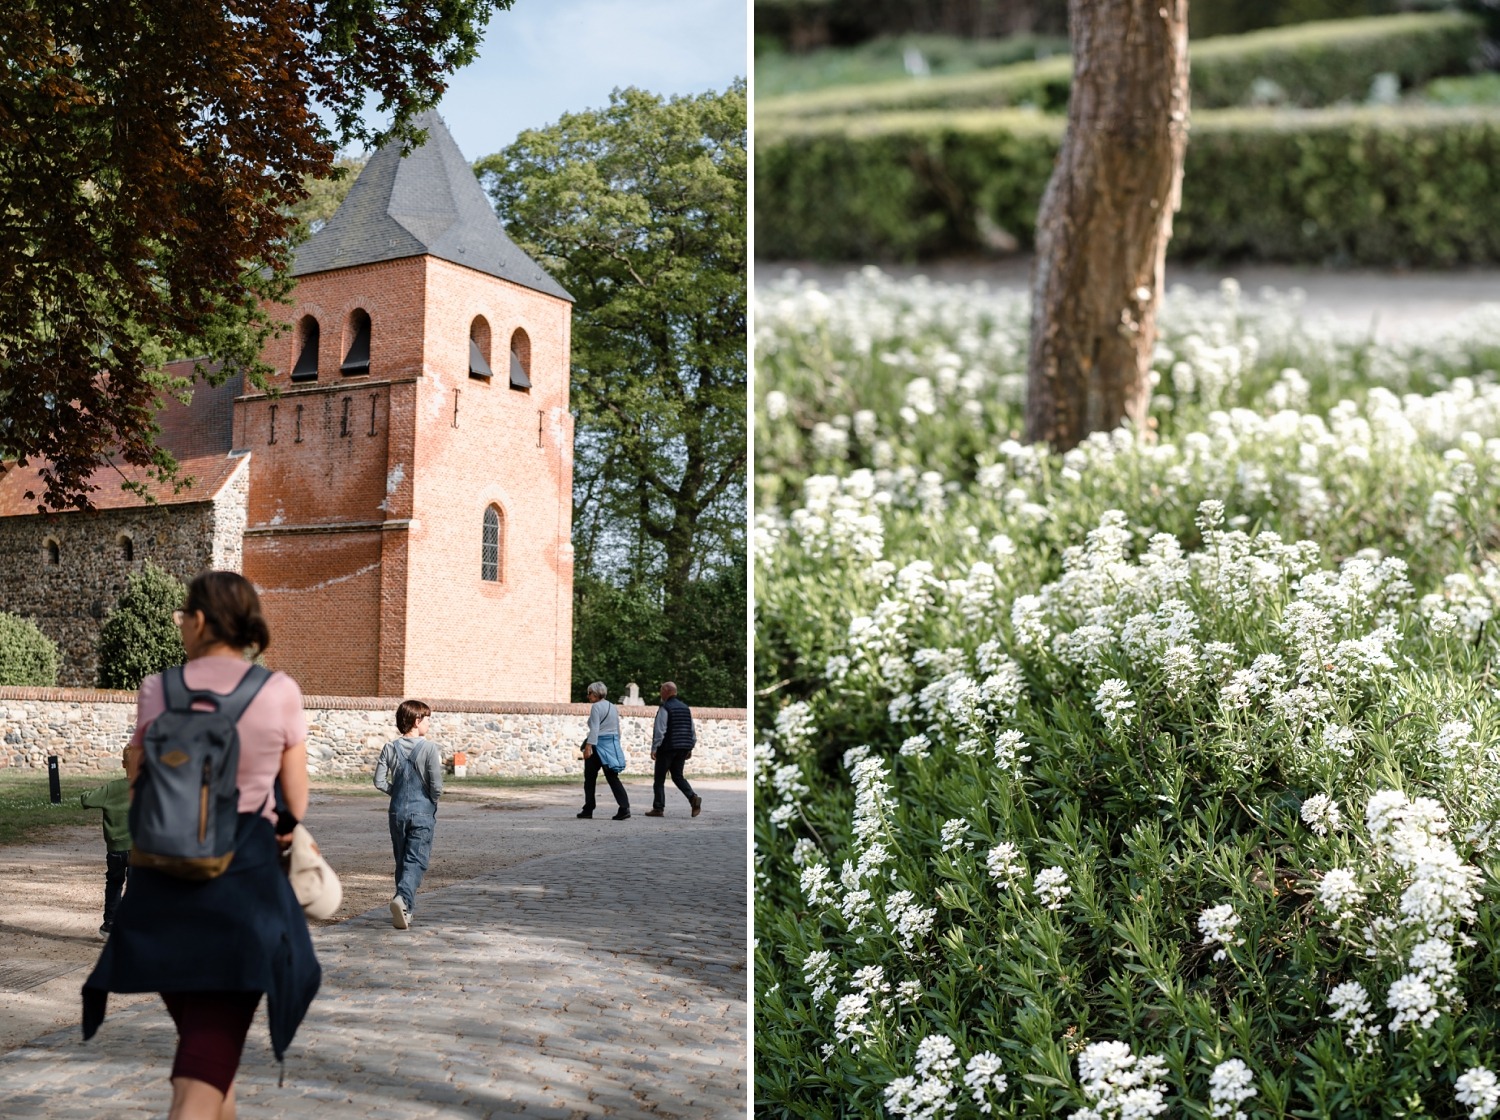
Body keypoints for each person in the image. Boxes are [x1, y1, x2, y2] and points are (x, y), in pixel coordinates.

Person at [82, 571, 319, 1120]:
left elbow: (140, 783)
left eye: (183, 615)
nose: (180, 625)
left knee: (209, 1057)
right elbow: (296, 804)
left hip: (160, 895)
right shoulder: (278, 691)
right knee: (200, 1078)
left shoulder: (157, 688)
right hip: (239, 894)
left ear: (203, 620)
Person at [373, 700, 444, 929]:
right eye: (428, 719)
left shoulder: (389, 748)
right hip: (422, 812)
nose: (429, 723)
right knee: (417, 861)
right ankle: (402, 900)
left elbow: (378, 781)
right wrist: (431, 800)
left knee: (402, 861)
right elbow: (437, 786)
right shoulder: (430, 749)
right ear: (417, 721)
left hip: (396, 813)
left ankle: (405, 911)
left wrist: (397, 793)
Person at [79, 747, 132, 938]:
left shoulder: (112, 789)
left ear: (123, 765)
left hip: (117, 849)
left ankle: (109, 924)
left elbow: (86, 800)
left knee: (114, 883)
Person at [643, 681, 702, 819]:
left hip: (667, 747)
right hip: (683, 747)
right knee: (678, 776)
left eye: (661, 691)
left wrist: (654, 748)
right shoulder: (685, 708)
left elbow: (660, 730)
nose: (660, 694)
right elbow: (692, 730)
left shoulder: (665, 707)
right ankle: (693, 798)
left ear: (666, 692)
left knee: (659, 779)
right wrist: (690, 746)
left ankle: (658, 808)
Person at [577, 682, 630, 821]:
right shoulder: (612, 706)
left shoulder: (596, 707)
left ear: (595, 694)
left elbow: (594, 729)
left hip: (597, 745)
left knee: (589, 779)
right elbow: (618, 729)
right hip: (610, 744)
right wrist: (616, 745)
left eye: (589, 693)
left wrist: (588, 747)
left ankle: (588, 808)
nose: (588, 696)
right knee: (613, 777)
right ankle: (624, 807)